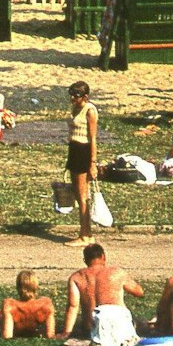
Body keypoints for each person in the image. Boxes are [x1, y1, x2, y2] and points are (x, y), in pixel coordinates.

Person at [64, 242, 143, 346]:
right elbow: (139, 292)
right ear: (103, 256)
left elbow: (72, 306)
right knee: (137, 321)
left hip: (91, 328)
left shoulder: (76, 277)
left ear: (85, 260)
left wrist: (67, 332)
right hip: (118, 323)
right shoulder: (117, 272)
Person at [65, 81, 99, 239]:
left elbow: (93, 138)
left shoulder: (90, 111)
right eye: (71, 94)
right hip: (74, 148)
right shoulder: (75, 107)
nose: (73, 98)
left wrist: (93, 163)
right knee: (78, 195)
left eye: (76, 95)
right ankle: (84, 232)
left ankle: (86, 234)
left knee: (83, 195)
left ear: (85, 96)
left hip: (83, 151)